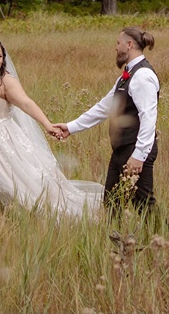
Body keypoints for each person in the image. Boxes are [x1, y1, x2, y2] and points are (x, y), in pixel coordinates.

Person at [0, 36, 101, 216]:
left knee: (11, 182)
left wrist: (47, 124)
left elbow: (26, 103)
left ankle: (30, 215)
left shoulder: (5, 81)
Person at [50, 27, 159, 213]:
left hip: (134, 151)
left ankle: (166, 241)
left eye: (118, 43)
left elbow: (148, 118)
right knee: (111, 204)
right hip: (121, 150)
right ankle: (115, 241)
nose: (116, 48)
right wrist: (71, 127)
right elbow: (104, 107)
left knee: (144, 206)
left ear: (129, 44)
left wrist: (138, 156)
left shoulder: (143, 76)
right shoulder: (127, 76)